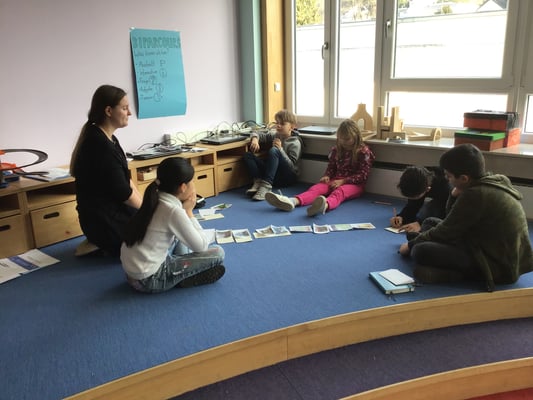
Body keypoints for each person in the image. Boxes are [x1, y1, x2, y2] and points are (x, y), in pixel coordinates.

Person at [398, 143, 533, 291]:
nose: (447, 179)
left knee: (420, 251)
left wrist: (411, 246)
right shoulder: (491, 181)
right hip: (484, 244)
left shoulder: (475, 194)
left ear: (463, 178)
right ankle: (424, 242)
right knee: (429, 222)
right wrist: (454, 195)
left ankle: (455, 275)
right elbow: (452, 219)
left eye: (449, 176)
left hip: (497, 266)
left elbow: (447, 230)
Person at [121, 157, 225, 293]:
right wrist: (189, 212)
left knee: (180, 234)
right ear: (183, 187)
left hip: (133, 272)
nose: (193, 185)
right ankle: (180, 277)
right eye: (192, 181)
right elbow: (201, 246)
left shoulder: (155, 197)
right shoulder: (173, 211)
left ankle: (182, 270)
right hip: (149, 279)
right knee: (218, 252)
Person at [70, 84, 142, 256]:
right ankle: (101, 243)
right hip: (102, 221)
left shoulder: (110, 139)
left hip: (111, 211)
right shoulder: (99, 145)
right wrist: (149, 214)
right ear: (109, 111)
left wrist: (146, 208)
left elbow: (126, 180)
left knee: (153, 222)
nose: (129, 113)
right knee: (155, 235)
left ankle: (99, 243)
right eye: (124, 108)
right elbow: (124, 194)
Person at [265, 119, 375, 217]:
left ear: (355, 136)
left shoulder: (363, 152)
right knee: (317, 188)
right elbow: (331, 167)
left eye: (347, 139)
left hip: (354, 184)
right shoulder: (337, 149)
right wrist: (327, 176)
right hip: (335, 180)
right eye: (341, 139)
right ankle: (292, 201)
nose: (343, 142)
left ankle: (324, 205)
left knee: (339, 192)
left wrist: (343, 181)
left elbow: (362, 175)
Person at [243, 109, 303, 201]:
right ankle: (258, 181)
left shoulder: (295, 143)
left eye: (282, 124)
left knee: (274, 150)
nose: (278, 125)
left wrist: (280, 150)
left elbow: (292, 167)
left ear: (292, 127)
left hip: (287, 178)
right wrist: (255, 139)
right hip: (273, 175)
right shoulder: (276, 135)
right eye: (277, 123)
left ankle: (266, 186)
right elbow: (257, 133)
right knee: (248, 155)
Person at [390, 166, 451, 234]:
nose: (411, 200)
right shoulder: (419, 179)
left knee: (430, 209)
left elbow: (445, 216)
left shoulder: (445, 187)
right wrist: (402, 217)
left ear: (427, 189)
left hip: (448, 203)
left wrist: (420, 224)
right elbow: (412, 205)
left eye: (415, 197)